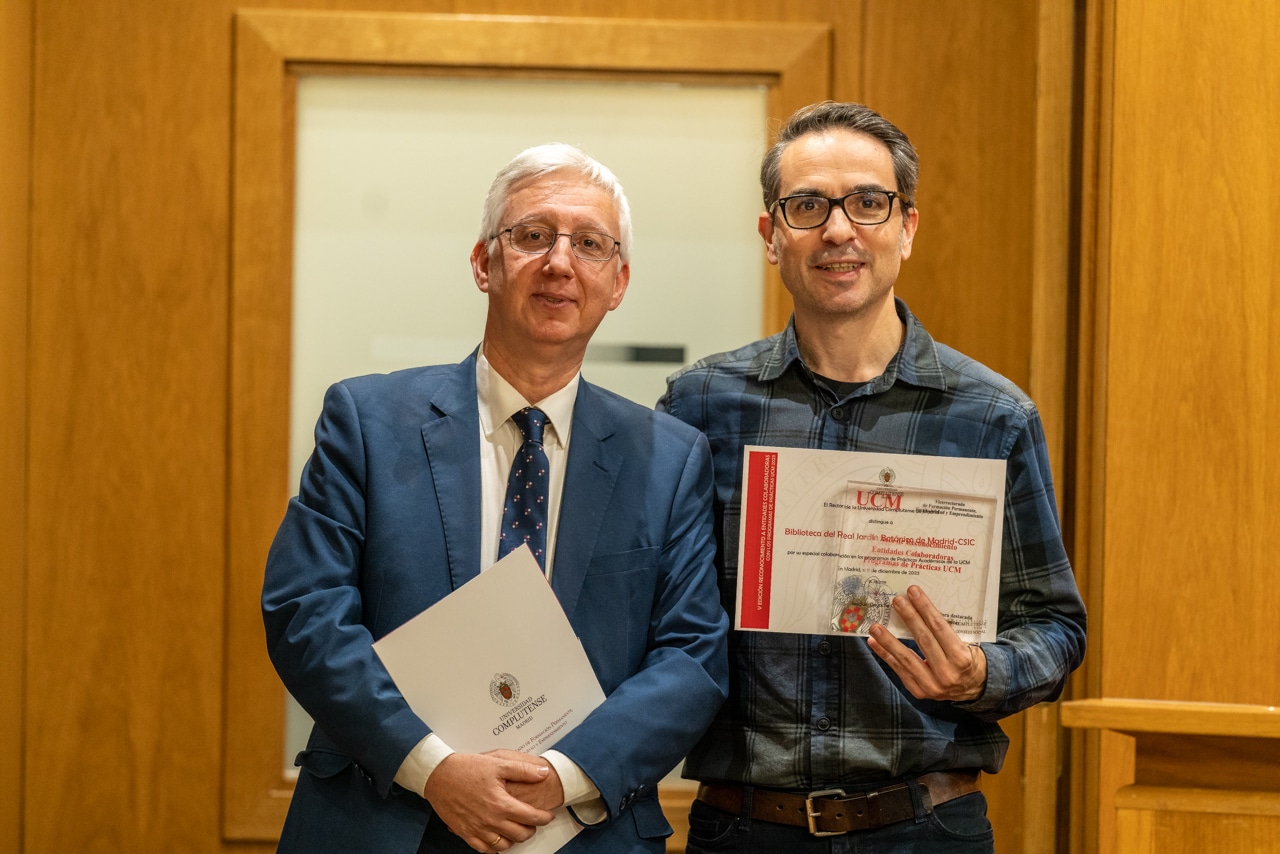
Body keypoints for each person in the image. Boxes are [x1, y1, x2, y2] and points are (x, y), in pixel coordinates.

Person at [262, 143, 730, 854]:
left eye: (591, 244)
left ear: (619, 282)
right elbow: (307, 613)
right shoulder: (367, 421)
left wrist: (561, 777)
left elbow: (692, 657)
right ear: (484, 263)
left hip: (577, 829)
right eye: (533, 235)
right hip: (384, 819)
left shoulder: (670, 458)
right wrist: (435, 768)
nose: (560, 262)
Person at [658, 101, 1087, 852]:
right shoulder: (701, 406)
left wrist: (980, 674)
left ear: (906, 227)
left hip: (925, 828)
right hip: (744, 829)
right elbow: (652, 605)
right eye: (807, 206)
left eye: (867, 202)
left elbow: (1057, 627)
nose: (838, 229)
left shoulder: (991, 417)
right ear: (771, 236)